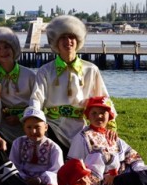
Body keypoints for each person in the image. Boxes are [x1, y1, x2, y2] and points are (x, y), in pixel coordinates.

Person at [31, 15, 110, 149]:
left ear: (78, 40)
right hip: (53, 126)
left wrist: (110, 127)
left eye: (72, 37)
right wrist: (36, 120)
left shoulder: (91, 69)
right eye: (63, 37)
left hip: (80, 126)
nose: (68, 41)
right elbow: (36, 99)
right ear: (55, 42)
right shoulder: (45, 71)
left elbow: (103, 100)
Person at [0, 26, 36, 142]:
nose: (3, 51)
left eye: (6, 47)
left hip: (26, 123)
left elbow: (37, 102)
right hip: (0, 124)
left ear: (13, 49)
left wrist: (21, 117)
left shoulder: (29, 75)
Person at [7, 107, 63, 185]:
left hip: (43, 183)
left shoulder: (54, 148)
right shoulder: (18, 143)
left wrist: (40, 180)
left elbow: (57, 172)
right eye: (29, 127)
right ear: (24, 128)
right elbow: (13, 165)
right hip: (23, 181)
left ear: (46, 127)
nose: (33, 131)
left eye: (37, 127)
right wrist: (24, 179)